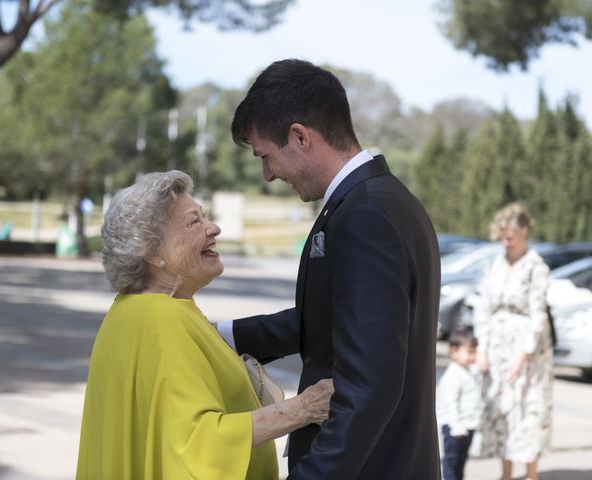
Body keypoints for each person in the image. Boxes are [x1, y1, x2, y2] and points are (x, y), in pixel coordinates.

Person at [218, 59, 442, 478]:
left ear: (300, 137)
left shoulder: (365, 214)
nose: (266, 175)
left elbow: (367, 390)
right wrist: (222, 335)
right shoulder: (379, 200)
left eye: (265, 155)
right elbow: (336, 321)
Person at [76, 170, 334, 480]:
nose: (214, 228)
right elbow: (199, 442)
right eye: (194, 222)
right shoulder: (163, 321)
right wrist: (305, 408)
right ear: (153, 253)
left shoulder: (129, 312)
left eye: (205, 217)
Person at [474, 202, 553, 480]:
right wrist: (482, 348)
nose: (505, 242)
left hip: (526, 351)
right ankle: (505, 473)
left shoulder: (535, 267)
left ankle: (531, 474)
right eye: (502, 236)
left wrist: (524, 355)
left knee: (527, 409)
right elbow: (483, 307)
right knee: (502, 410)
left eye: (511, 237)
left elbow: (538, 315)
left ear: (524, 233)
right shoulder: (495, 264)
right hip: (497, 345)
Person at [437, 328, 481, 480]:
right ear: (454, 351)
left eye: (474, 352)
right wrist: (456, 426)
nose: (473, 356)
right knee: (451, 462)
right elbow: (450, 403)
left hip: (467, 426)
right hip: (454, 428)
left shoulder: (468, 371)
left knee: (461, 462)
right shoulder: (453, 375)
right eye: (469, 352)